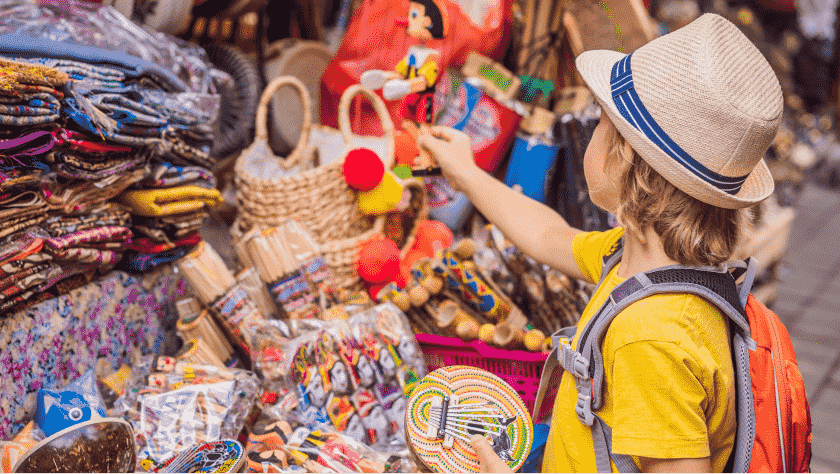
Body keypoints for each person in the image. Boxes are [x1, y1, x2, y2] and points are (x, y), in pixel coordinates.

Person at [418, 13, 782, 473]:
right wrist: (465, 172)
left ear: (624, 159)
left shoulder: (649, 337)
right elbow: (548, 236)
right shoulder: (646, 265)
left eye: (600, 125)